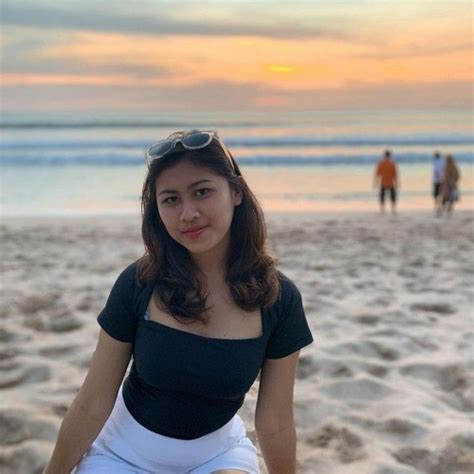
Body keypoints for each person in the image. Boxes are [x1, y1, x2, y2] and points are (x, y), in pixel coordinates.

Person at [44, 129, 314, 474]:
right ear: (156, 210)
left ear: (235, 192)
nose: (188, 213)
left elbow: (275, 419)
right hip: (122, 453)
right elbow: (93, 401)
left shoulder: (278, 298)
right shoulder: (140, 282)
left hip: (217, 455)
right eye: (171, 199)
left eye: (202, 192)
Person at [374, 149, 399, 214]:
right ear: (390, 156)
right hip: (391, 183)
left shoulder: (381, 164)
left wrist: (376, 183)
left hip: (383, 183)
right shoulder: (392, 164)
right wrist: (396, 183)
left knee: (382, 196)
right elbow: (395, 175)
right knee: (392, 196)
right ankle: (393, 209)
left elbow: (377, 175)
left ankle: (382, 209)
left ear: (384, 156)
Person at [432, 151, 445, 217]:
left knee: (436, 195)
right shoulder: (443, 161)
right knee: (441, 195)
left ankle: (437, 207)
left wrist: (439, 178)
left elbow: (436, 172)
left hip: (437, 181)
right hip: (443, 180)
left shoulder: (436, 162)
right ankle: (440, 207)